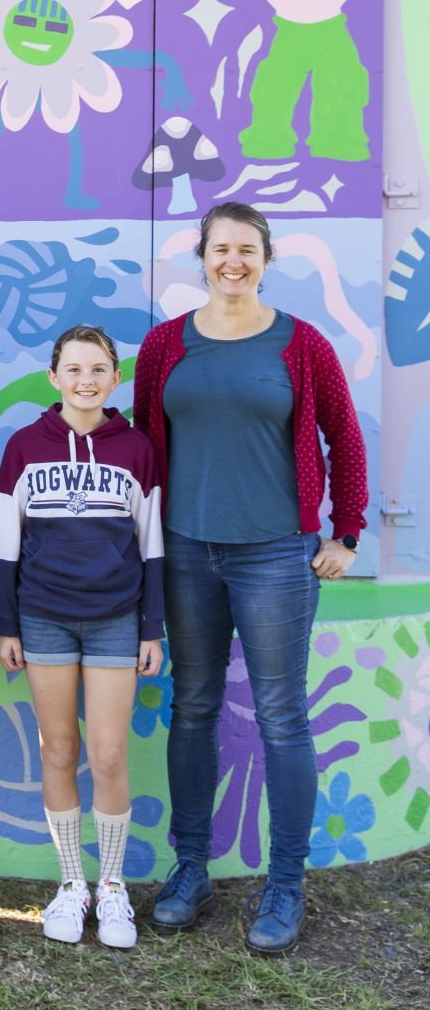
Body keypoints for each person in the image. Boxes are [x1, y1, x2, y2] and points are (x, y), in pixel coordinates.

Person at [134, 200, 368, 953]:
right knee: (193, 706)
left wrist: (348, 532)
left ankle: (286, 882)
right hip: (187, 553)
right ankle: (190, 868)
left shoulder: (301, 344)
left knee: (282, 717)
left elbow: (344, 434)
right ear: (201, 257)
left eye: (247, 249)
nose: (232, 261)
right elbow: (142, 448)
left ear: (267, 258)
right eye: (220, 249)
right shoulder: (165, 345)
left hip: (276, 555)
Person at [0, 325, 163, 951]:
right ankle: (72, 884)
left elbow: (153, 549)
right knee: (59, 749)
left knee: (110, 754)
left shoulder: (137, 450)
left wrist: (152, 628)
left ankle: (112, 886)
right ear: (54, 377)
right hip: (43, 617)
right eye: (73, 369)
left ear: (115, 379)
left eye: (98, 369)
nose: (85, 380)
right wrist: (6, 624)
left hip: (117, 617)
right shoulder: (23, 448)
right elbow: (5, 549)